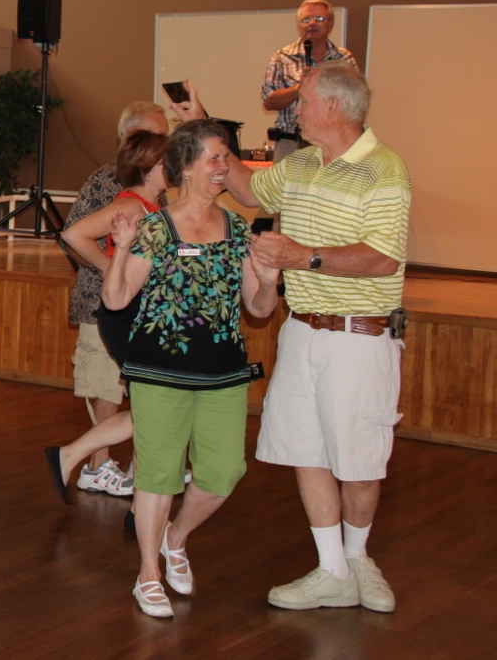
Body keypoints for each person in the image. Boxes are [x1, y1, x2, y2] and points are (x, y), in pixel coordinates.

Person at [176, 63, 411, 614]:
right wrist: (205, 124)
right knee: (307, 450)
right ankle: (332, 569)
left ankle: (357, 559)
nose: (294, 110)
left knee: (358, 463)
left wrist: (302, 257)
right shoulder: (301, 163)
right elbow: (248, 189)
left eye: (302, 101)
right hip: (302, 330)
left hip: (359, 337)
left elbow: (382, 258)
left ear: (332, 107)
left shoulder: (384, 169)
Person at [101, 120, 279, 618]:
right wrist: (119, 248)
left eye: (225, 158)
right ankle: (147, 574)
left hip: (222, 370)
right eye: (214, 159)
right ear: (183, 166)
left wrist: (268, 282)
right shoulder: (154, 227)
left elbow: (259, 310)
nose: (224, 168)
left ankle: (175, 538)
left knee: (224, 472)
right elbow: (116, 299)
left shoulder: (238, 228)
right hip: (159, 369)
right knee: (158, 475)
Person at [44, 129, 168, 502]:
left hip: (146, 314)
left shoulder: (156, 207)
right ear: (150, 168)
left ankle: (128, 473)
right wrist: (107, 265)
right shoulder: (131, 205)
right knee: (156, 402)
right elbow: (75, 234)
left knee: (157, 403)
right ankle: (79, 457)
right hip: (126, 314)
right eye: (168, 161)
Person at [262, 0, 358, 160]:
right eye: (306, 20)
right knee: (287, 186)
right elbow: (269, 102)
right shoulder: (282, 57)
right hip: (290, 145)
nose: (312, 24)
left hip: (332, 144)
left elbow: (355, 102)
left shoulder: (343, 59)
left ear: (331, 24)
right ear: (299, 26)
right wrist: (299, 88)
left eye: (319, 19)